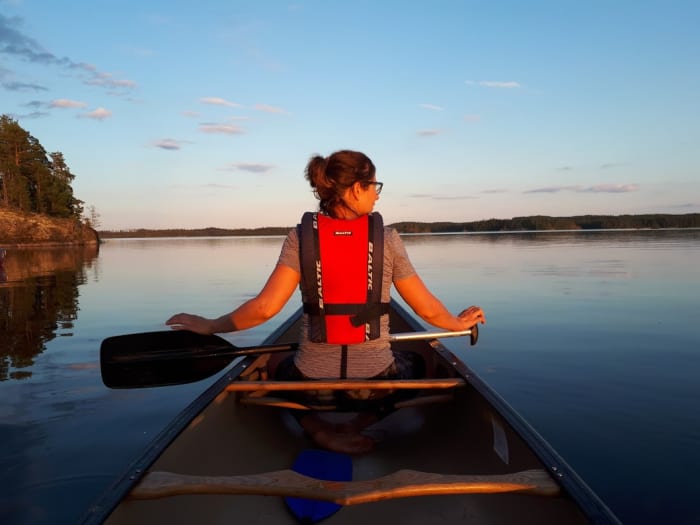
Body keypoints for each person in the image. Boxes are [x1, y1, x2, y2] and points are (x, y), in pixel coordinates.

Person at [167, 150, 486, 454]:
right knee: (423, 362)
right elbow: (427, 309)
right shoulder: (388, 238)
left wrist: (211, 326)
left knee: (271, 366)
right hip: (376, 387)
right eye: (375, 186)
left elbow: (265, 308)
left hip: (309, 387)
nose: (377, 194)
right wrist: (458, 323)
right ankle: (361, 423)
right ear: (357, 189)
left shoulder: (300, 237)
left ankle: (315, 427)